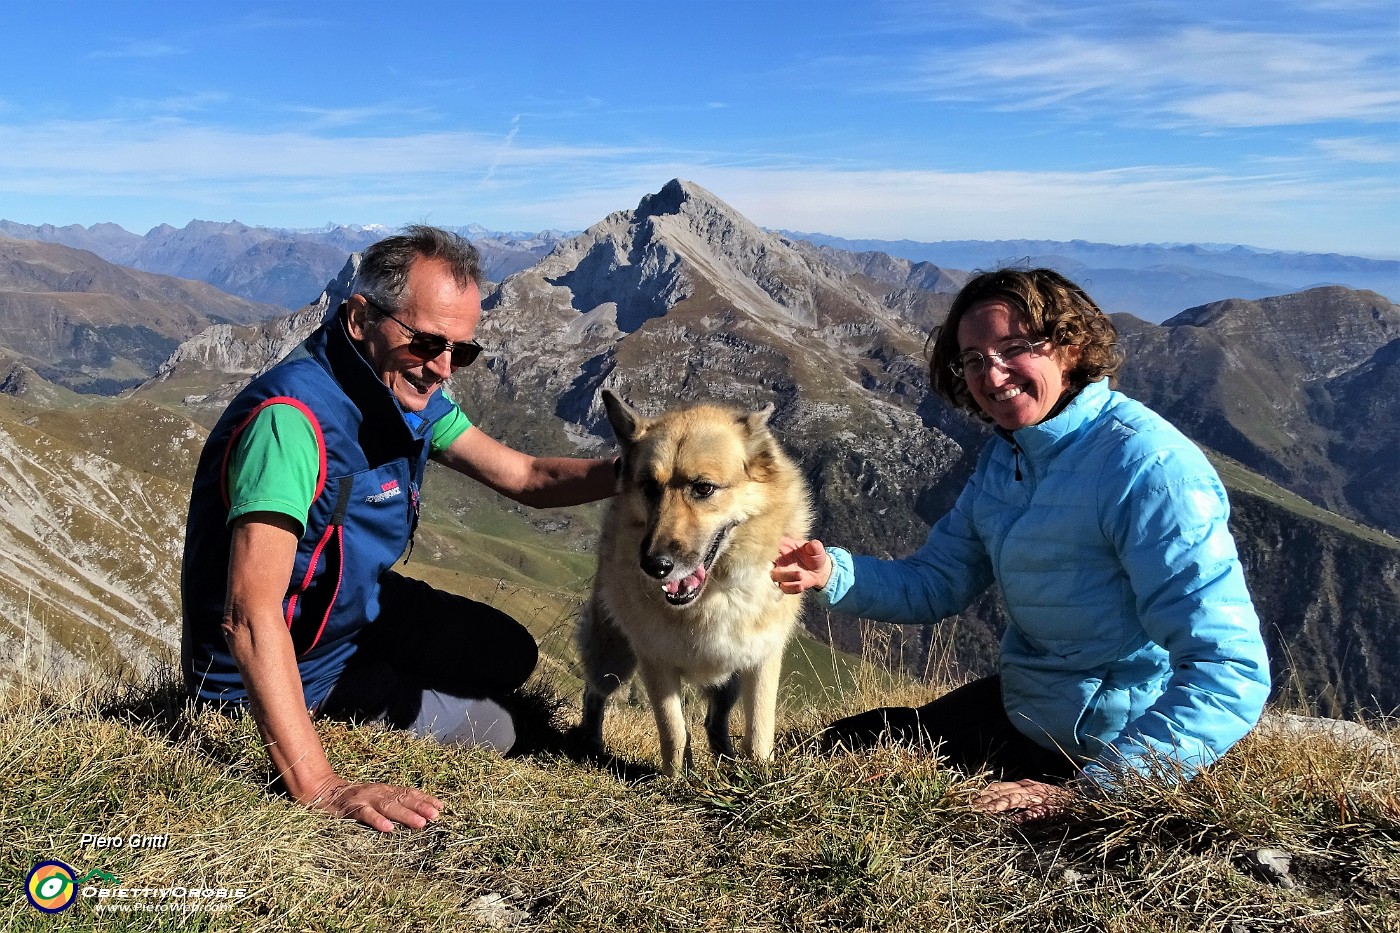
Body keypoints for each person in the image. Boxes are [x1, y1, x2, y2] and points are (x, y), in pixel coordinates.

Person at [772, 268, 1270, 823]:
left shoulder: (1149, 468)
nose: (993, 374)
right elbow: (938, 581)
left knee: (908, 815)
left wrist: (1088, 794)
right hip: (1031, 705)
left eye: (1014, 348)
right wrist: (831, 574)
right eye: (974, 359)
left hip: (1111, 741)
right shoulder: (1011, 455)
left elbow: (1230, 668)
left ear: (1069, 347)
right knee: (832, 749)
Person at [181, 226, 617, 832]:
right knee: (503, 727)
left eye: (460, 350)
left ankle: (402, 684)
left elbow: (528, 476)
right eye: (426, 342)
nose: (442, 367)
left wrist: (651, 473)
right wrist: (322, 786)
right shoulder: (291, 424)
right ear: (360, 318)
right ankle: (359, 702)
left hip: (355, 614)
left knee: (510, 653)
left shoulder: (407, 393)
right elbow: (249, 617)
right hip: (293, 665)